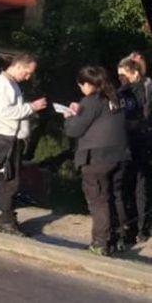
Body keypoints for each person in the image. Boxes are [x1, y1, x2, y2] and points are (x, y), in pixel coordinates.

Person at [63, 66, 128, 256]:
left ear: (87, 84)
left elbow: (74, 130)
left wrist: (68, 117)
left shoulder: (92, 100)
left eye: (81, 85)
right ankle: (118, 238)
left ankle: (100, 242)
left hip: (96, 157)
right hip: (120, 154)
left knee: (98, 199)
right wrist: (79, 110)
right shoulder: (115, 98)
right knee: (115, 196)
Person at [0, 53, 47, 235]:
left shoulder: (11, 83)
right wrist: (31, 107)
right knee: (10, 181)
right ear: (19, 66)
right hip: (7, 138)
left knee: (12, 180)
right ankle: (6, 220)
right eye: (27, 73)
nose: (28, 77)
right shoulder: (2, 84)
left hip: (14, 138)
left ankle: (8, 216)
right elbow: (5, 112)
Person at [116, 57, 151, 245]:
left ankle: (141, 227)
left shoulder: (140, 90)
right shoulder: (125, 91)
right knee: (130, 186)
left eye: (123, 74)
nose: (120, 78)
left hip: (140, 142)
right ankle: (133, 225)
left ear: (134, 73)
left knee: (140, 187)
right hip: (130, 143)